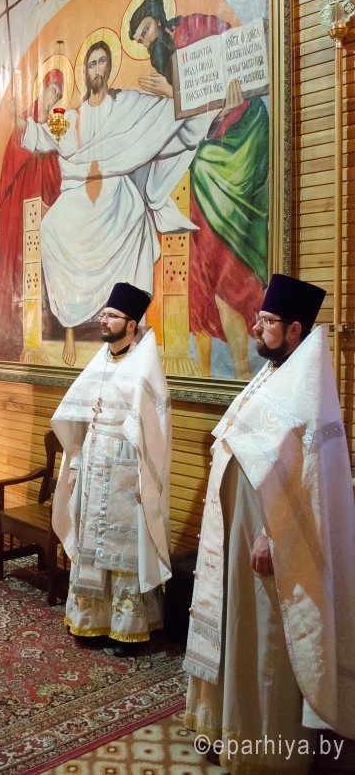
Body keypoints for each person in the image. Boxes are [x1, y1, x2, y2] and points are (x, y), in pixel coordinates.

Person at [184, 274, 355, 772]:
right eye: (258, 319)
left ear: (295, 329)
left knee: (263, 635)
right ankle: (227, 727)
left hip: (269, 533)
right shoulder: (275, 370)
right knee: (237, 625)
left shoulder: (308, 387)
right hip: (239, 524)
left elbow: (307, 480)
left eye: (267, 321)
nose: (256, 329)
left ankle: (265, 751)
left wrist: (270, 535)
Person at [19, 38, 216, 365]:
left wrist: (173, 92)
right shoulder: (69, 117)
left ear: (110, 67)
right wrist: (27, 112)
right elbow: (38, 136)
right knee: (51, 228)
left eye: (102, 62)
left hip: (118, 192)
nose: (97, 69)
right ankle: (70, 328)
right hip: (78, 195)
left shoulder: (129, 103)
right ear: (85, 72)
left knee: (135, 218)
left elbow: (171, 116)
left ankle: (133, 325)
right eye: (91, 63)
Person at [129, 0, 269, 379]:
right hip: (212, 140)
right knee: (206, 257)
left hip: (243, 135)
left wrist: (179, 94)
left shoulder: (194, 27)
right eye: (140, 40)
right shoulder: (164, 62)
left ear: (159, 19)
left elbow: (234, 57)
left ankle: (244, 365)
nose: (146, 42)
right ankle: (229, 367)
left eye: (146, 31)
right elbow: (190, 118)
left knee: (202, 180)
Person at [51, 282, 172, 656]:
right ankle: (91, 620)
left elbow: (155, 430)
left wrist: (145, 477)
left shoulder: (144, 366)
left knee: (122, 547)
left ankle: (126, 628)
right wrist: (74, 462)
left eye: (112, 316)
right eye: (103, 314)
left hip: (125, 468)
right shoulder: (101, 360)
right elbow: (78, 414)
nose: (103, 321)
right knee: (91, 540)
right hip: (93, 462)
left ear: (131, 325)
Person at [0, 68, 64, 362]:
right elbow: (12, 158)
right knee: (15, 258)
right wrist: (30, 145)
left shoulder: (57, 125)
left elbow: (58, 164)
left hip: (43, 201)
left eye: (58, 93)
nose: (52, 97)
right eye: (50, 90)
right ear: (41, 90)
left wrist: (47, 153)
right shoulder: (23, 120)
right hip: (19, 204)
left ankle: (46, 328)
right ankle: (9, 335)